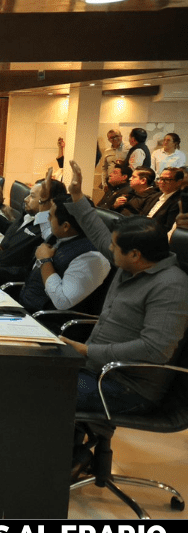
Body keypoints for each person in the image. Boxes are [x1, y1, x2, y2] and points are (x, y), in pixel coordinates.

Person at [60, 159, 188, 416]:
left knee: (39, 389)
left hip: (125, 386)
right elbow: (100, 235)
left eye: (115, 248)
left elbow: (155, 349)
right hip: (95, 370)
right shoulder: (132, 263)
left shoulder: (170, 285)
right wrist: (76, 196)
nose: (109, 249)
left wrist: (87, 350)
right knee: (29, 373)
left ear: (135, 254)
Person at [16, 195, 111, 314]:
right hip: (27, 304)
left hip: (45, 319)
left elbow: (62, 301)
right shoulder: (60, 237)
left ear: (65, 226)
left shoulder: (93, 258)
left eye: (51, 216)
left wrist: (45, 261)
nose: (48, 220)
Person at [0, 172, 66, 284]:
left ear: (49, 202)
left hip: (0, 282)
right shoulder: (27, 214)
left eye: (32, 196)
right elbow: (14, 235)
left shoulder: (48, 232)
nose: (25, 199)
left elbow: (29, 269)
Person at [142, 167, 184, 231]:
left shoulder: (179, 202)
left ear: (179, 182)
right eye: (160, 179)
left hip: (154, 233)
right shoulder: (154, 196)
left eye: (166, 179)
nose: (161, 182)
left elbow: (167, 227)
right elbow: (142, 215)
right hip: (141, 228)